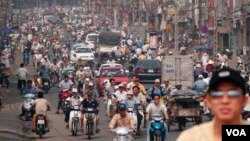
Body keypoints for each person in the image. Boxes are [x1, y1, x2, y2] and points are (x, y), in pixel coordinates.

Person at [176, 67, 250, 141]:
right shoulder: (190, 138)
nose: (225, 100)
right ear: (208, 102)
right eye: (217, 94)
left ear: (244, 100)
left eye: (233, 94)